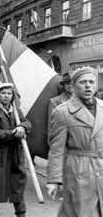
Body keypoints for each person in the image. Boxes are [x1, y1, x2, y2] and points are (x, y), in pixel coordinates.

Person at [46, 66, 103, 216]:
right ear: (73, 86)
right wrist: (54, 179)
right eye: (83, 82)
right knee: (80, 212)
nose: (88, 86)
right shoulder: (62, 112)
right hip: (78, 170)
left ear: (96, 85)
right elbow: (56, 149)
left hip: (101, 166)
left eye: (91, 82)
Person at [0, 82, 32, 217]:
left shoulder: (16, 111)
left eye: (9, 93)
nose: (7, 96)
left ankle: (21, 213)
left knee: (18, 182)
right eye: (3, 93)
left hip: (15, 153)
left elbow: (27, 121)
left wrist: (23, 127)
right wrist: (13, 133)